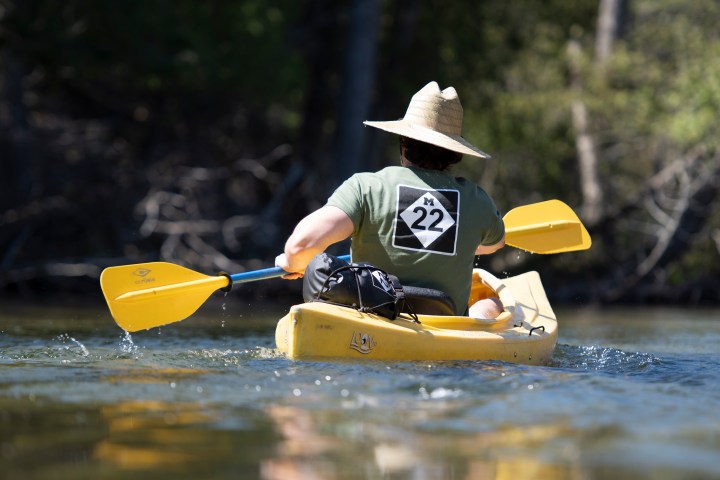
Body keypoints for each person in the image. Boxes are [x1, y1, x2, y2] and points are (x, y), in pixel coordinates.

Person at [275, 81, 505, 318]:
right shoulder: (478, 201)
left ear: (404, 142)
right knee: (493, 305)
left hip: (372, 321)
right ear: (455, 151)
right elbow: (495, 244)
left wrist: (293, 262)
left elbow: (300, 246)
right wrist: (460, 242)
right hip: (444, 325)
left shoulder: (366, 186)